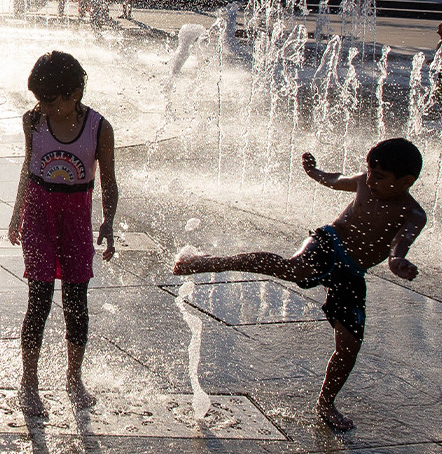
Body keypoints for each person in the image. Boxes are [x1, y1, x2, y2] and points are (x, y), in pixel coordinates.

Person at [174, 138, 428, 431]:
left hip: (352, 272)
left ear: (406, 181)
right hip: (329, 243)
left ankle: (326, 402)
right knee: (292, 268)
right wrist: (315, 172)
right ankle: (205, 262)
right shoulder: (363, 183)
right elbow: (335, 180)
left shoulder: (412, 214)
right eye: (369, 171)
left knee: (349, 346)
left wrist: (396, 262)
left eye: (380, 177)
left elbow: (400, 243)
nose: (370, 179)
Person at [5, 51, 117, 410]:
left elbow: (110, 183)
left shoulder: (99, 128)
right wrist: (15, 213)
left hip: (75, 219)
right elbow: (27, 166)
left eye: (51, 101)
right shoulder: (34, 121)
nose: (44, 107)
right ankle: (29, 381)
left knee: (75, 303)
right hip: (38, 215)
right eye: (39, 100)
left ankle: (74, 379)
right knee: (38, 300)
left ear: (74, 93)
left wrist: (108, 221)